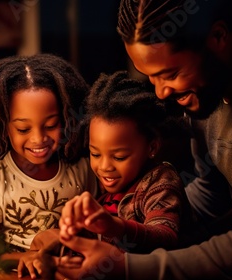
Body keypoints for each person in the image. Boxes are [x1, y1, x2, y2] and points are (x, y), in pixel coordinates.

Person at [53, 0, 232, 279]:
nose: (159, 93)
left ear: (217, 37)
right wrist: (113, 226)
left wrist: (126, 267)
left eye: (169, 74)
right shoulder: (207, 83)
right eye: (151, 78)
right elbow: (209, 196)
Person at [17, 71, 194, 279]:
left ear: (152, 146)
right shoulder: (106, 192)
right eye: (95, 154)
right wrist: (45, 253)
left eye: (119, 157)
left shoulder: (161, 181)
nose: (104, 167)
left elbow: (165, 236)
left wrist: (113, 227)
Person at [0, 53, 98, 261]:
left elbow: (96, 230)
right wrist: (23, 258)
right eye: (23, 129)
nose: (38, 139)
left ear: (67, 118)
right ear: (4, 126)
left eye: (51, 126)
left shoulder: (82, 168)